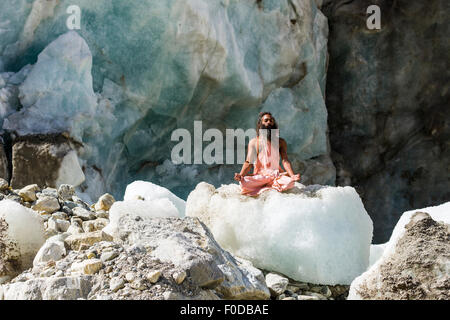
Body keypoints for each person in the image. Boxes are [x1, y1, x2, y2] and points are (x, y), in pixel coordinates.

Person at [234, 112, 300, 196]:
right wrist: (241, 175)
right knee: (244, 182)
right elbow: (248, 162)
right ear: (260, 123)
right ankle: (269, 185)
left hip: (276, 175)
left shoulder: (281, 142)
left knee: (290, 183)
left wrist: (292, 175)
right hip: (260, 177)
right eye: (266, 120)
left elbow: (285, 160)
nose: (269, 122)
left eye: (271, 120)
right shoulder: (254, 142)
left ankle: (267, 186)